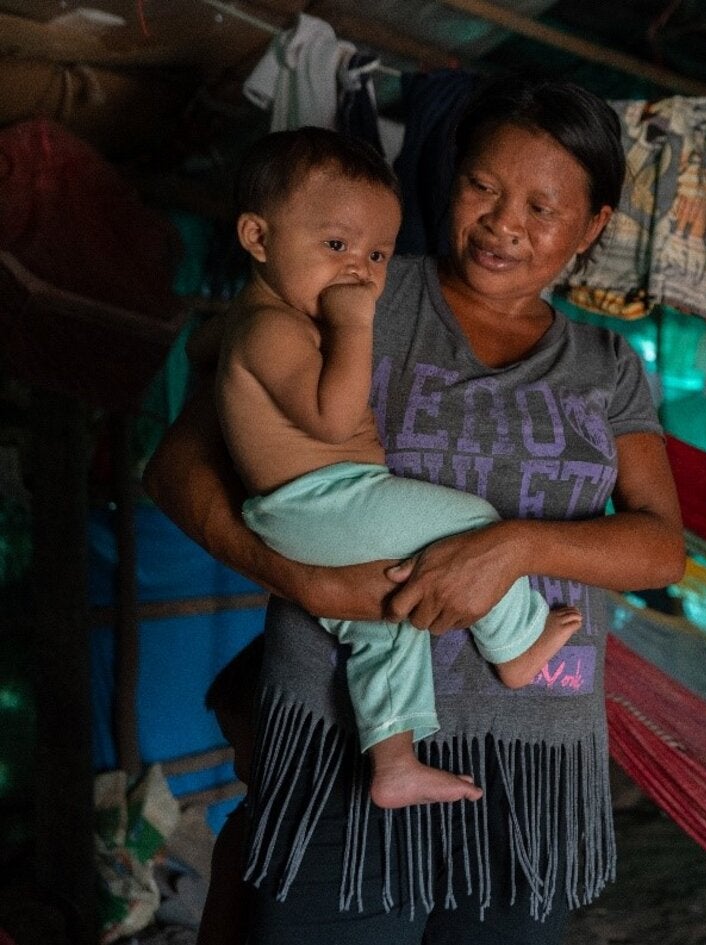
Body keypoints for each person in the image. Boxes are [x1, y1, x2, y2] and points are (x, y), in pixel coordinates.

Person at [145, 76, 684, 944]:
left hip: (531, 763)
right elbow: (175, 470)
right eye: (482, 187)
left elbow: (661, 548)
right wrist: (302, 579)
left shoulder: (607, 365)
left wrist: (510, 547)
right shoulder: (351, 287)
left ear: (592, 226)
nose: (504, 223)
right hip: (338, 742)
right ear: (450, 179)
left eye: (542, 207)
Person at [213, 127, 585, 812]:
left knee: (385, 627)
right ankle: (516, 644)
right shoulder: (270, 328)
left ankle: (394, 760)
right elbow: (331, 420)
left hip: (317, 510)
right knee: (475, 523)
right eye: (336, 246)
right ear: (257, 237)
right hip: (319, 500)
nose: (359, 270)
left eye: (377, 254)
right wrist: (355, 326)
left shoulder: (269, 319)